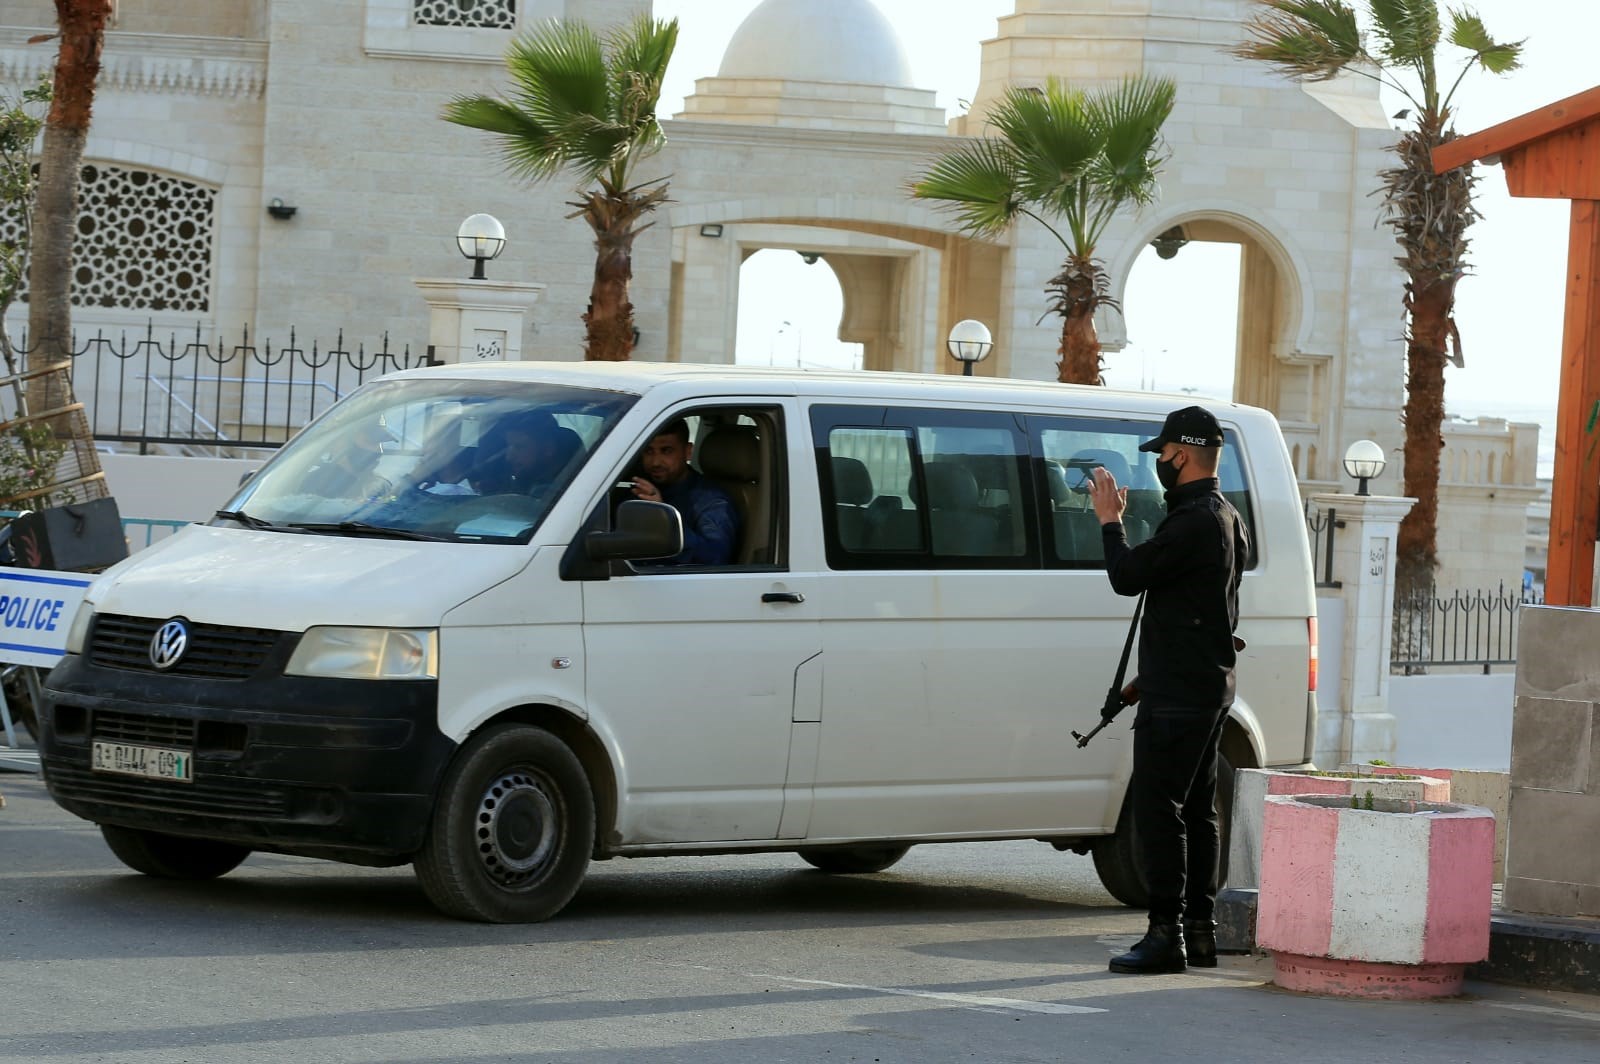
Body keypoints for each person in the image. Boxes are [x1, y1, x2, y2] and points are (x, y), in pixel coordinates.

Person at [1087, 404, 1249, 975]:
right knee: (1198, 812)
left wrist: (1110, 521)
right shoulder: (1226, 516)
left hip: (1180, 695)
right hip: (1204, 685)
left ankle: (1165, 936)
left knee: (1161, 812)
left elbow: (1126, 577)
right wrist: (1147, 677)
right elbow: (1204, 608)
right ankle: (1199, 933)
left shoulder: (1192, 521)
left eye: (1162, 453)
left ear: (1180, 455)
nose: (1158, 462)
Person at [628, 418, 739, 566]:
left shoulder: (710, 501)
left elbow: (714, 559)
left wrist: (665, 519)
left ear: (688, 452)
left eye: (666, 451)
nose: (655, 462)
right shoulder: (643, 488)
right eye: (649, 451)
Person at [473, 410, 576, 496]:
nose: (509, 457)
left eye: (519, 447)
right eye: (508, 447)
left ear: (548, 449)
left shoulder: (567, 493)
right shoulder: (525, 484)